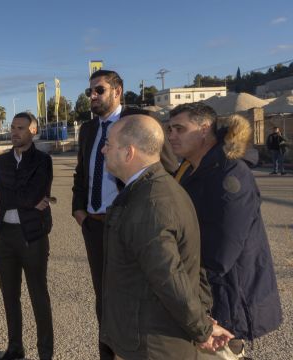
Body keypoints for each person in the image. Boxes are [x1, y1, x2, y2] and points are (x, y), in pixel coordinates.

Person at [100, 113, 234, 359]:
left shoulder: (151, 201)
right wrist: (202, 319)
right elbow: (192, 267)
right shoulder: (151, 190)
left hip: (150, 345)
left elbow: (169, 277)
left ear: (129, 153)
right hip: (148, 337)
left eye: (108, 144)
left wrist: (201, 330)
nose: (102, 150)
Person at [71, 70, 179, 360]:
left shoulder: (140, 122)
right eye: (89, 91)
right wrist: (79, 211)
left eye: (99, 90)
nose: (92, 96)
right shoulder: (88, 130)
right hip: (94, 227)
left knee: (136, 297)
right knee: (104, 299)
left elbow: (166, 170)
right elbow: (82, 173)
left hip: (130, 228)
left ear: (118, 91)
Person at [168, 103, 283, 359]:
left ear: (204, 130)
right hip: (204, 293)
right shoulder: (190, 168)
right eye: (169, 129)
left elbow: (222, 252)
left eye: (179, 129)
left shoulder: (230, 175)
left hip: (227, 296)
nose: (171, 135)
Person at [0, 112, 54, 360]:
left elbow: (32, 195)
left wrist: (3, 196)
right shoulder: (1, 161)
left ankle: (45, 352)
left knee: (38, 296)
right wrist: (10, 197)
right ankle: (15, 348)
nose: (15, 132)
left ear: (33, 131)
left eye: (21, 128)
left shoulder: (43, 161)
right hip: (4, 236)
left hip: (32, 236)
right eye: (13, 127)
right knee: (9, 296)